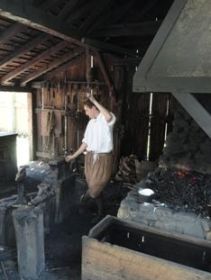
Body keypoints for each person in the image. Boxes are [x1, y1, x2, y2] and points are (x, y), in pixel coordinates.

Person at [65, 93, 116, 220]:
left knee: (94, 187)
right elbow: (85, 143)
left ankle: (83, 201)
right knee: (94, 187)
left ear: (94, 108)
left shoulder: (106, 119)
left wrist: (93, 100)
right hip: (90, 159)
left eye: (87, 110)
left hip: (103, 159)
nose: (86, 113)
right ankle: (100, 212)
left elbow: (109, 116)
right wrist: (73, 156)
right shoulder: (91, 123)